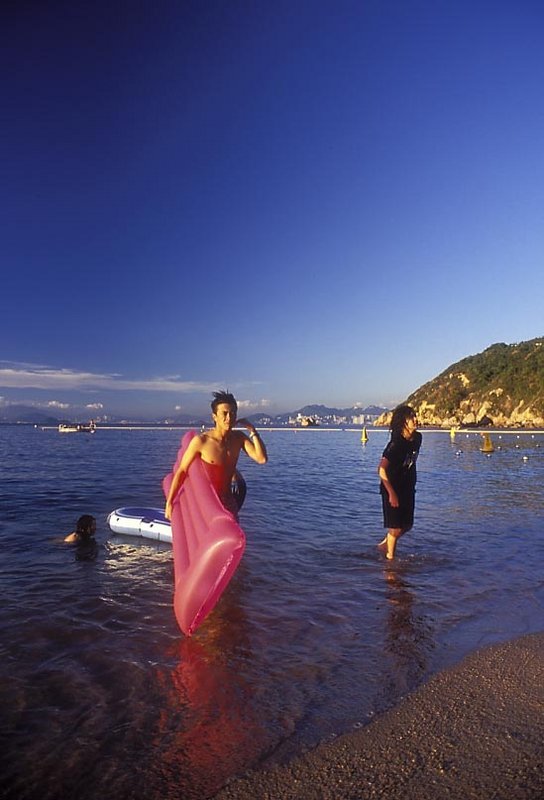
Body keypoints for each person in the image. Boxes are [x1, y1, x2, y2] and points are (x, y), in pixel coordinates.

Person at [165, 390, 267, 519]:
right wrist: (169, 502)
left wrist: (252, 431)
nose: (229, 418)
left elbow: (261, 458)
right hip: (206, 504)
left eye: (233, 413)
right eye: (224, 413)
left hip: (228, 502)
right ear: (214, 416)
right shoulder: (202, 441)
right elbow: (182, 471)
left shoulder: (239, 438)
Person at [377, 405, 422, 560]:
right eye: (411, 417)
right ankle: (390, 563)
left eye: (415, 415)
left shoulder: (418, 438)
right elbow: (381, 469)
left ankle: (384, 544)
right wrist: (391, 494)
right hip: (392, 488)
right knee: (395, 529)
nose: (416, 419)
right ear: (403, 421)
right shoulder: (395, 444)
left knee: (407, 525)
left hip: (408, 487)